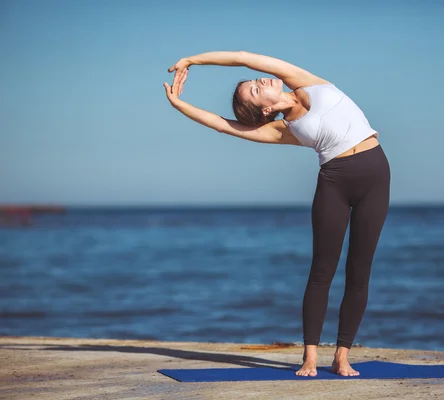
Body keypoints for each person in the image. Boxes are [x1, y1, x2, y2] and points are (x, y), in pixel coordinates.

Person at [163, 51, 390, 377]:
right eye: (255, 90)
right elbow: (223, 125)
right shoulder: (283, 130)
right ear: (266, 110)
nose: (259, 81)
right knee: (322, 270)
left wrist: (194, 60)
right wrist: (179, 105)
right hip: (334, 184)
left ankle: (342, 356)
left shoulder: (308, 83)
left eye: (254, 81)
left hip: (376, 175)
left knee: (359, 271)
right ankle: (310, 357)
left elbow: (244, 58)